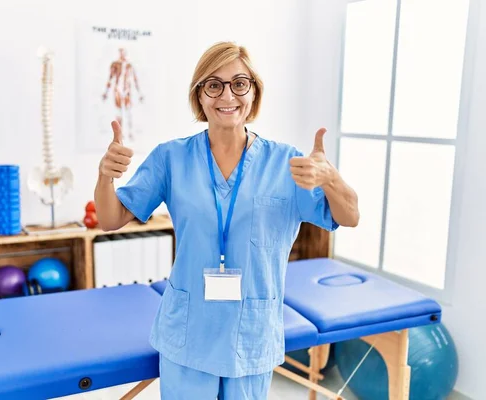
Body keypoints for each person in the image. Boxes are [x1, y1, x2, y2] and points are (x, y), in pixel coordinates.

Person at [94, 41, 359, 399]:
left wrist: (330, 178)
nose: (227, 95)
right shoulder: (170, 158)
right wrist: (105, 177)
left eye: (239, 83)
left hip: (251, 334)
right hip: (188, 332)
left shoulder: (286, 163)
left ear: (254, 91)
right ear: (199, 96)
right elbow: (111, 219)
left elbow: (349, 216)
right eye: (213, 85)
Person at [102, 47, 144, 141]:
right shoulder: (115, 64)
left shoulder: (129, 65)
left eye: (124, 52)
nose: (122, 54)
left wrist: (140, 93)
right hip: (118, 89)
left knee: (128, 112)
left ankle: (130, 133)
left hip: (127, 90)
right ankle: (120, 134)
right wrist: (106, 92)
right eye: (121, 52)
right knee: (119, 112)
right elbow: (110, 78)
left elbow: (135, 79)